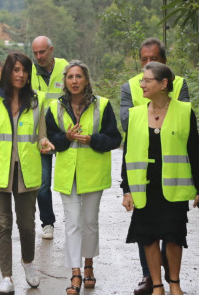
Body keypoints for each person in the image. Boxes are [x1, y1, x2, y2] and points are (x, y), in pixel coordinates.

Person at [121, 62, 199, 295]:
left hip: (174, 186)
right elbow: (128, 154)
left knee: (174, 236)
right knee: (148, 237)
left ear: (163, 84)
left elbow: (194, 151)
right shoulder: (136, 114)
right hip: (145, 187)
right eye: (141, 80)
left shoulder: (184, 111)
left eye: (147, 80)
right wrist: (126, 189)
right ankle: (157, 286)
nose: (141, 85)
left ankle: (174, 283)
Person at [0, 52, 53, 295]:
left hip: (27, 171)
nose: (21, 75)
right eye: (16, 70)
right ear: (8, 72)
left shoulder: (37, 99)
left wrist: (45, 142)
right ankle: (6, 278)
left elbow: (41, 134)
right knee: (2, 225)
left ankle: (28, 262)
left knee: (28, 225)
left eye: (24, 70)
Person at [45, 61, 122, 294]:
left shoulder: (103, 105)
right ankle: (75, 273)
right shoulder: (55, 106)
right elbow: (50, 139)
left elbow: (114, 139)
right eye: (70, 77)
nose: (74, 81)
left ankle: (89, 265)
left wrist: (93, 140)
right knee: (72, 224)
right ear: (65, 81)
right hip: (68, 174)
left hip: (93, 174)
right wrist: (66, 138)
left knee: (89, 222)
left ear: (86, 80)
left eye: (79, 76)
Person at [30, 35, 68, 240]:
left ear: (51, 50)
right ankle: (48, 223)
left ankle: (73, 220)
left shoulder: (66, 68)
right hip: (40, 136)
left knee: (69, 180)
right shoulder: (28, 72)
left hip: (64, 134)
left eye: (42, 52)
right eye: (35, 53)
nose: (38, 56)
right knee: (42, 183)